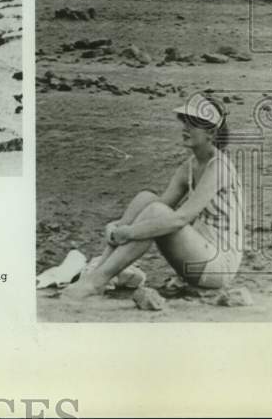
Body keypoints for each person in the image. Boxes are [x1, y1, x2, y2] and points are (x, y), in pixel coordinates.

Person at [63, 93, 243, 299]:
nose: (185, 128)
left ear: (211, 132)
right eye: (184, 122)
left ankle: (97, 281)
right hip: (198, 253)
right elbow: (152, 207)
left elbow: (180, 219)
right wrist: (117, 225)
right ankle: (102, 271)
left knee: (156, 212)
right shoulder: (190, 167)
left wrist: (129, 232)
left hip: (218, 265)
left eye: (193, 124)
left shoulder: (218, 167)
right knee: (146, 198)